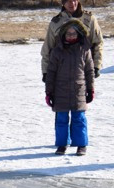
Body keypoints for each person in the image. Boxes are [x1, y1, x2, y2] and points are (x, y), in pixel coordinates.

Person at [45, 20, 94, 156]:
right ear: (63, 35)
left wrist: (91, 89)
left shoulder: (84, 50)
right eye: (68, 33)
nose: (71, 36)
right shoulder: (57, 51)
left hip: (79, 90)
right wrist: (49, 92)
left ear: (79, 34)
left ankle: (81, 145)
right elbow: (51, 73)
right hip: (60, 90)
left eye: (74, 33)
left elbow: (89, 71)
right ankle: (62, 144)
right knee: (61, 119)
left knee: (79, 118)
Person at [40, 0, 103, 83]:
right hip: (61, 74)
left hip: (84, 72)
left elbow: (98, 43)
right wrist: (46, 72)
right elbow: (48, 49)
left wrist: (96, 65)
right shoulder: (55, 23)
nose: (72, 3)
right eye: (68, 1)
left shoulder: (90, 19)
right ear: (63, 3)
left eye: (74, 0)